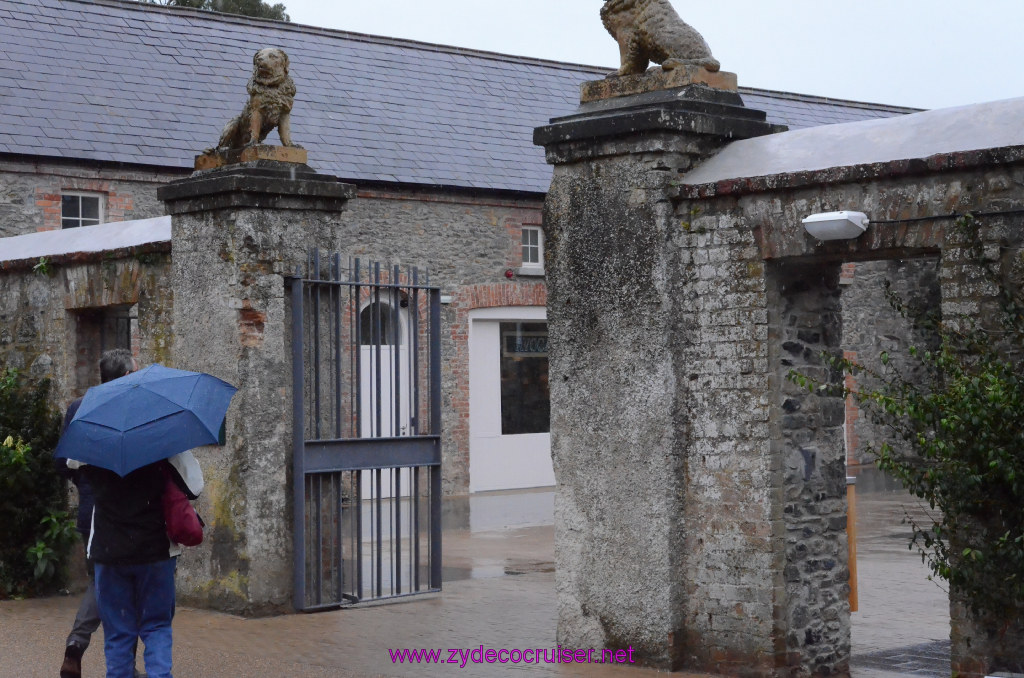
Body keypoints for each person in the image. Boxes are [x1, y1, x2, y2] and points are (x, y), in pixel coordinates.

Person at [62, 349, 204, 678]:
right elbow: (194, 486)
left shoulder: (91, 424)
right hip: (155, 549)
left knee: (118, 634)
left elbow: (71, 463)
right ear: (129, 378)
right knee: (155, 628)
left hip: (109, 549)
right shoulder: (160, 425)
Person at [58, 348, 145, 678]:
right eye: (135, 373)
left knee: (101, 582)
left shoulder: (78, 408)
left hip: (90, 510)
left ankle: (77, 646)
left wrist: (86, 486)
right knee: (127, 586)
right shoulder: (134, 411)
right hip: (127, 515)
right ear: (125, 377)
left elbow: (61, 461)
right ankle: (122, 665)